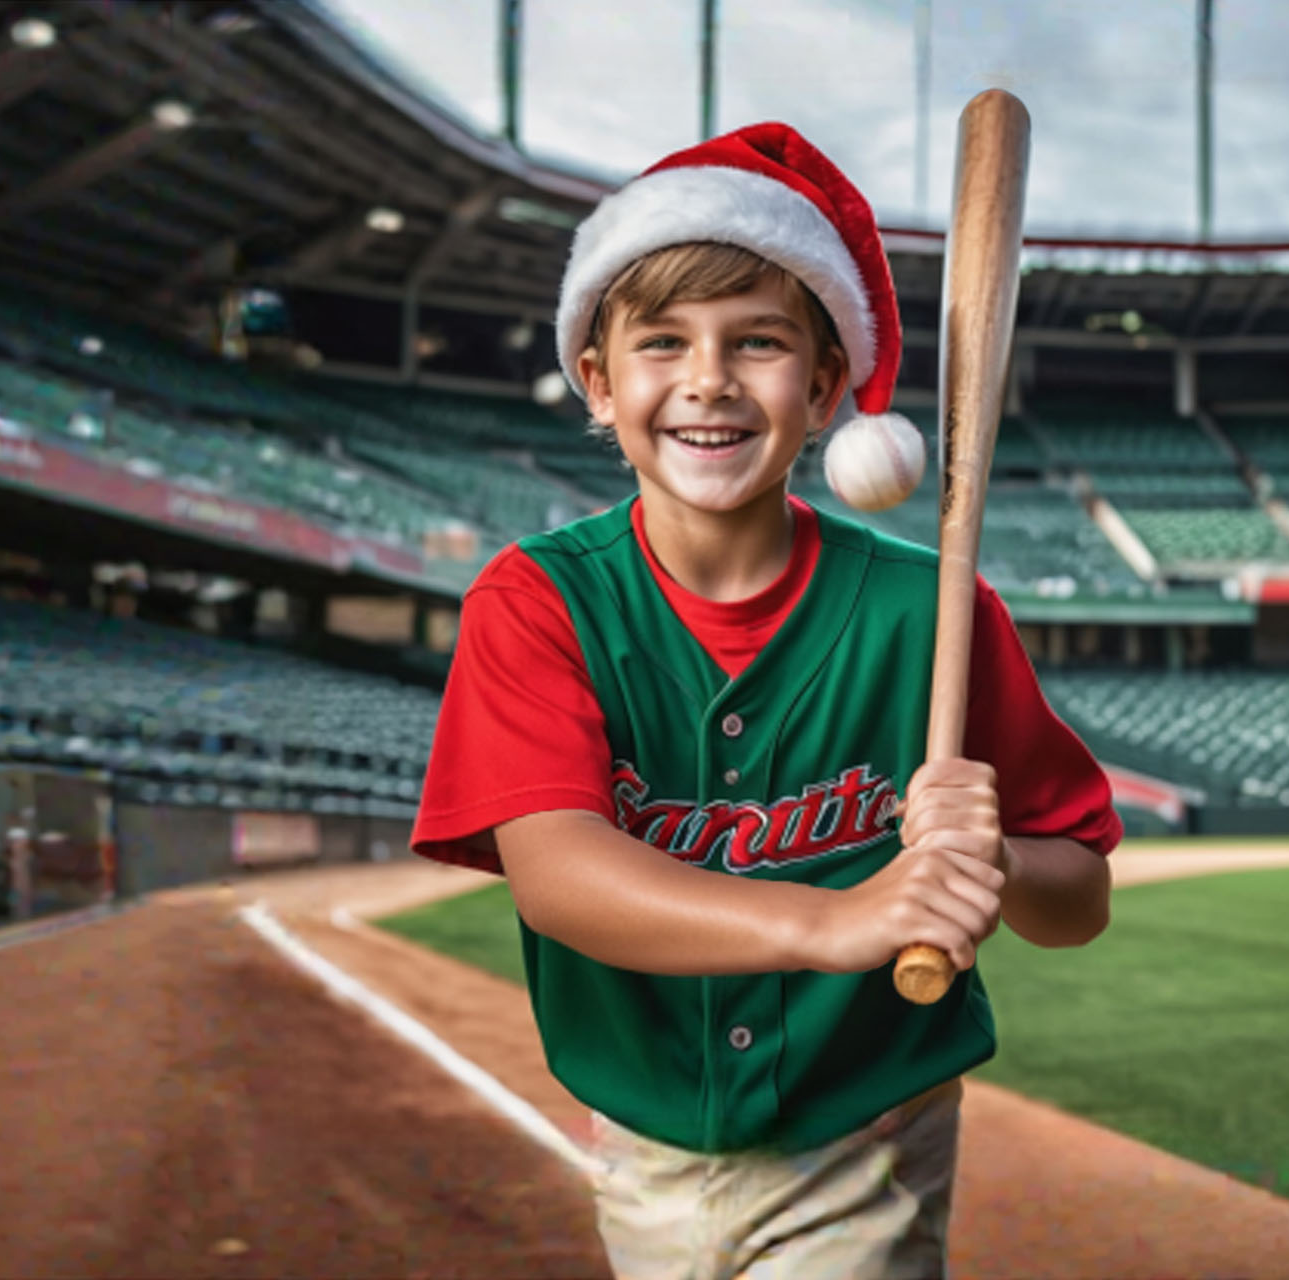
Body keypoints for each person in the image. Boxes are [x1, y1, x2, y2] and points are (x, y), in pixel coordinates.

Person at [411, 123, 1120, 1279]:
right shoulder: (536, 601)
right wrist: (834, 920)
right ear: (597, 378)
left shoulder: (927, 609)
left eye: (759, 342)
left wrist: (990, 856)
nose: (707, 380)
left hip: (870, 1136)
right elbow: (557, 874)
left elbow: (1076, 894)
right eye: (661, 343)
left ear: (827, 382)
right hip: (641, 1136)